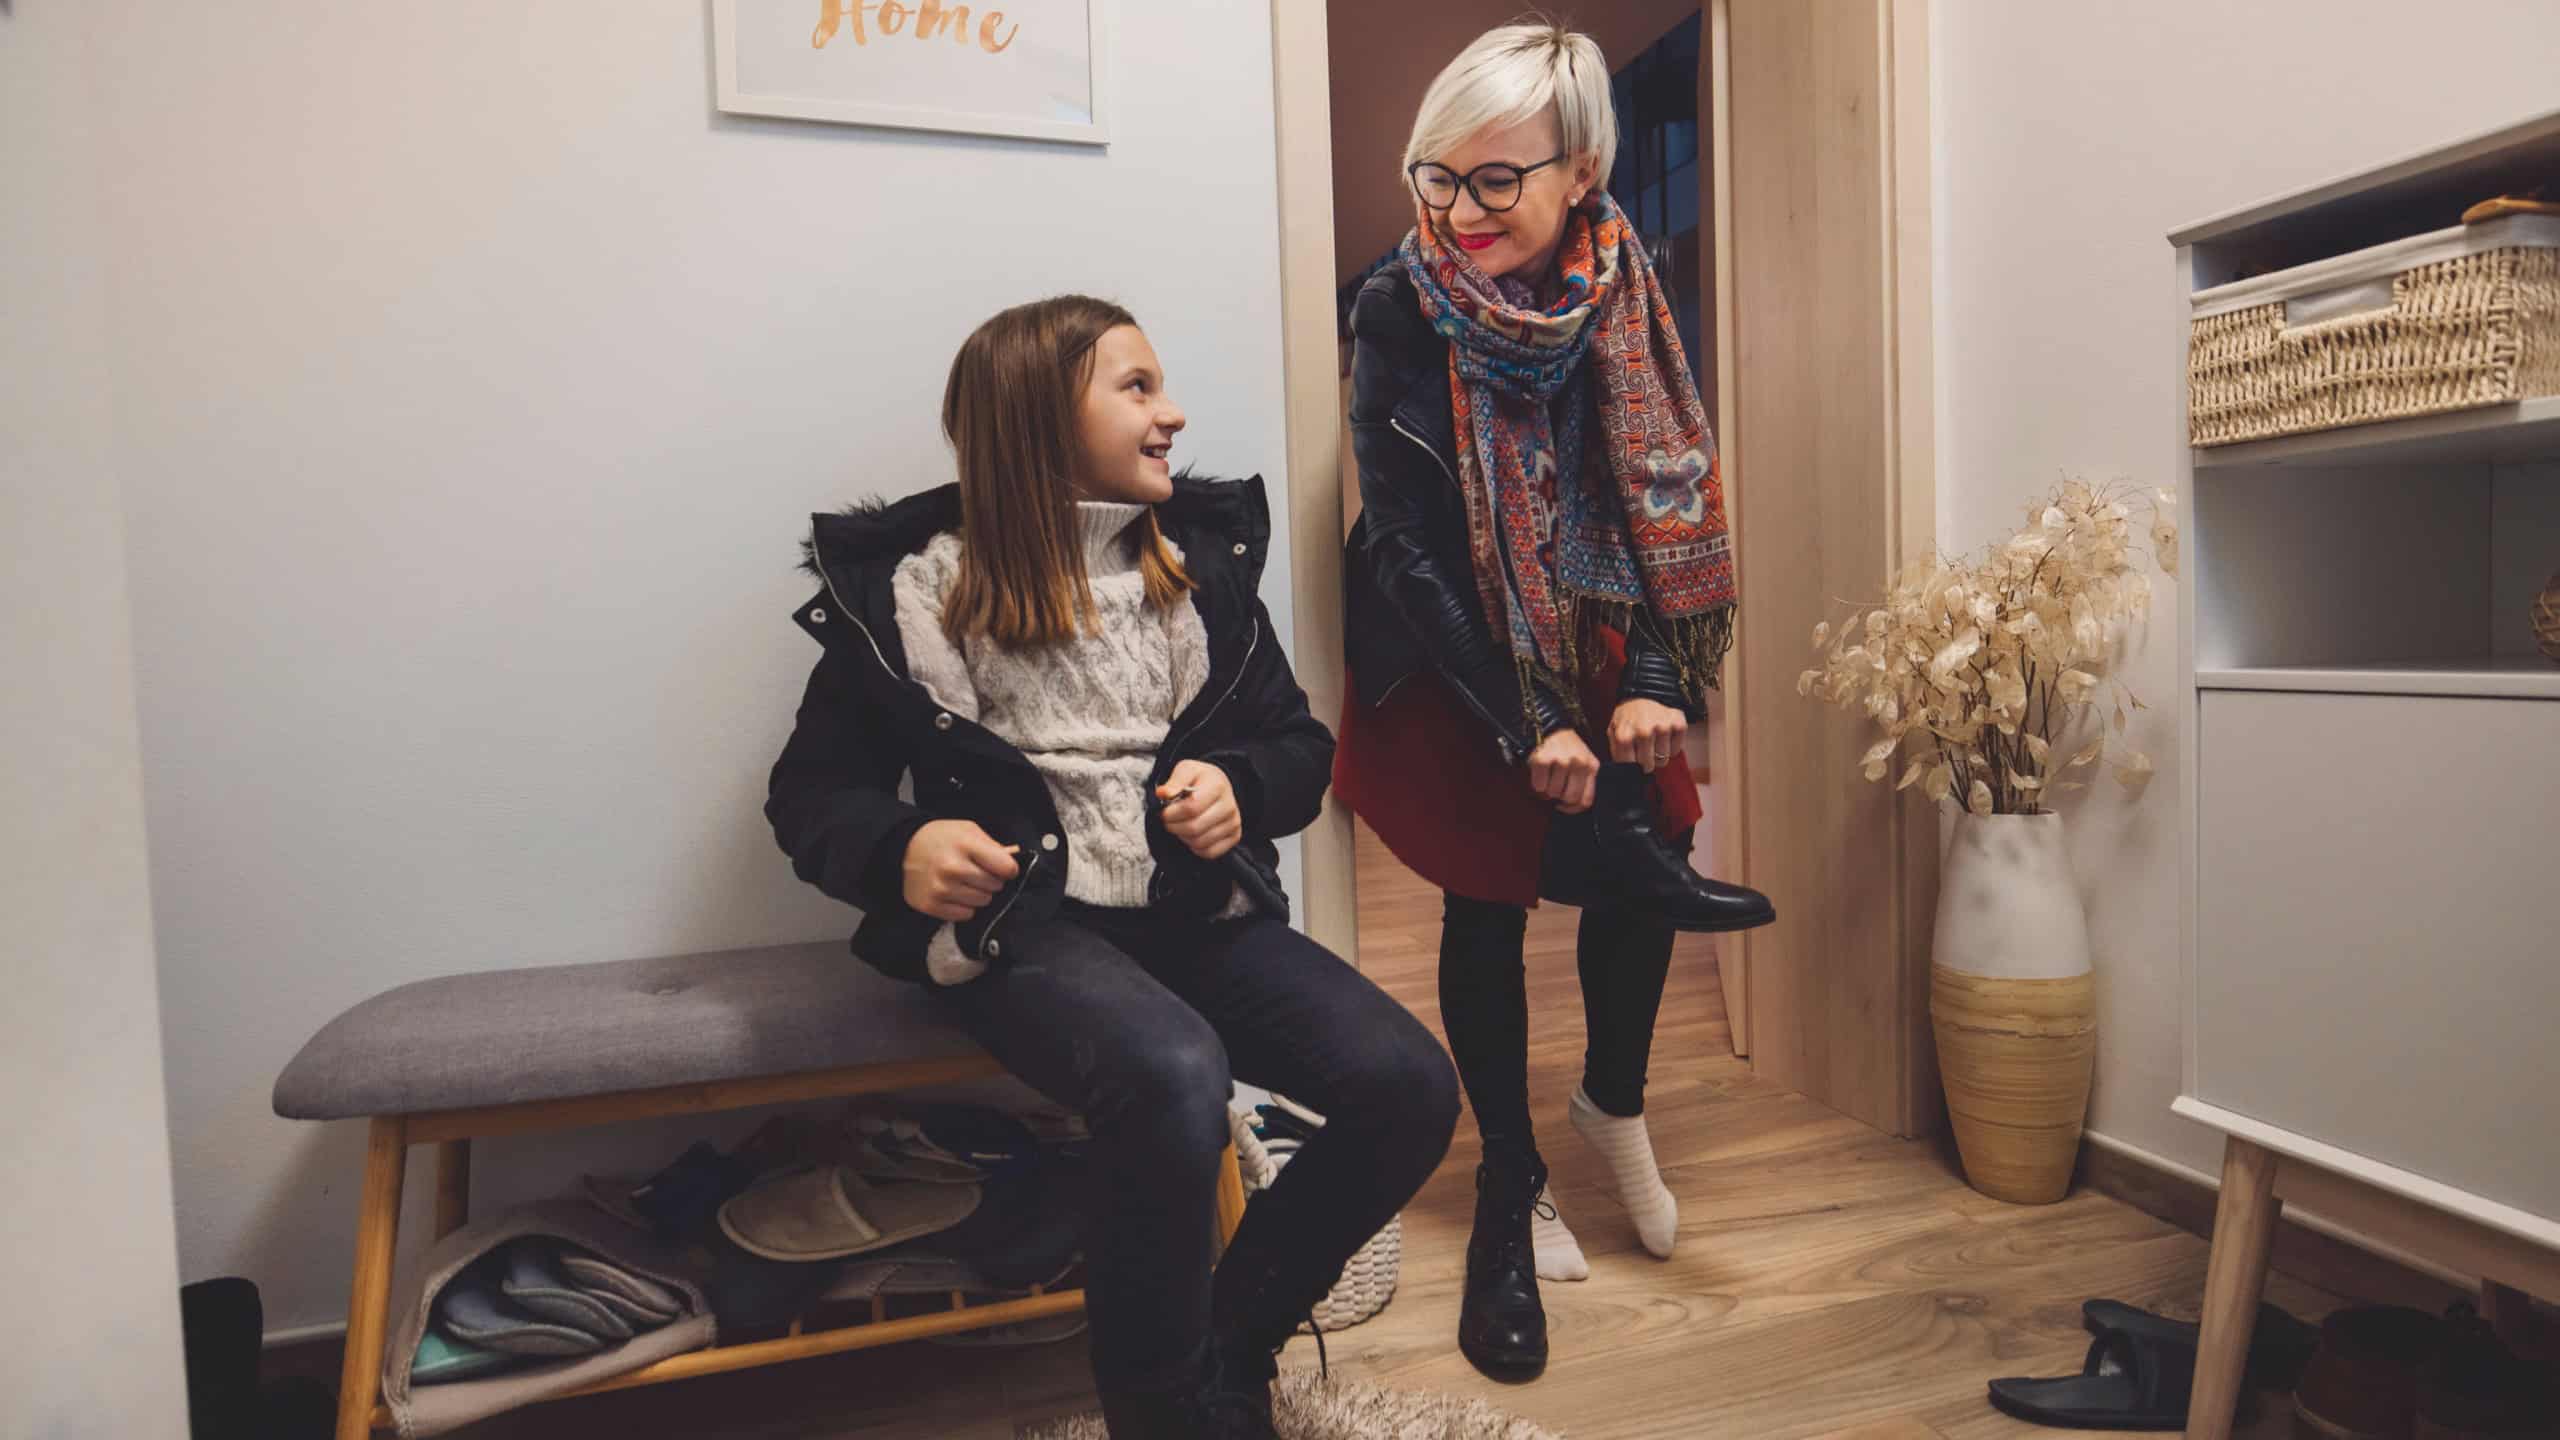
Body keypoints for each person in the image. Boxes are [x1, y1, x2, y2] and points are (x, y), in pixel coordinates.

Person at [766, 295, 1458, 1439]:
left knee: (1408, 1087)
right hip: (1028, 929)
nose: (1172, 413)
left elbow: (1296, 748)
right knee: (1175, 1072)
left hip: (1197, 914)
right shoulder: (916, 590)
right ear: (1039, 417)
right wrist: (901, 848)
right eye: (1136, 388)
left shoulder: (1203, 567)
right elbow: (809, 797)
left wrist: (1243, 790)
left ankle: (1230, 1357)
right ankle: (1158, 1415)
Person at [1334, 22, 1776, 1382]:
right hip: (1460, 648)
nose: (1457, 213)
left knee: (1637, 881)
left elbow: (1660, 489)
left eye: (1495, 181)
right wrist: (1527, 716)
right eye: (1437, 177)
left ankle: (1613, 1110)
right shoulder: (1396, 304)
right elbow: (1405, 537)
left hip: (1598, 630)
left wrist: (1648, 679)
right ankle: (1511, 1179)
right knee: (1489, 901)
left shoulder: (1625, 285)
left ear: (1581, 171)